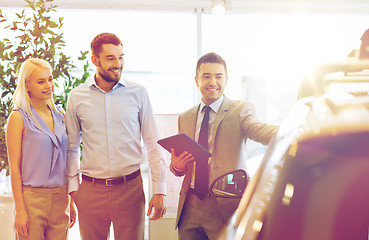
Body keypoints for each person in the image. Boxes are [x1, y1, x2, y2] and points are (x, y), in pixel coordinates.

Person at [66, 32, 167, 240]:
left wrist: (159, 189)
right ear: (95, 60)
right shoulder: (76, 97)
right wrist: (74, 190)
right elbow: (71, 149)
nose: (118, 63)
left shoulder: (138, 93)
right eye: (110, 58)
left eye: (121, 57)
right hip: (91, 190)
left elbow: (152, 144)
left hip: (130, 189)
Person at [170, 52, 279, 239]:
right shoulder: (185, 117)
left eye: (218, 76)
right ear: (197, 80)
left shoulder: (240, 111)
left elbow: (259, 131)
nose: (213, 82)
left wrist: (296, 128)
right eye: (206, 76)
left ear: (226, 80)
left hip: (224, 206)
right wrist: (176, 167)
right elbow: (182, 165)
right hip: (190, 207)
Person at [6, 58, 76, 240]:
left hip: (61, 198)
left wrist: (71, 201)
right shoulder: (18, 118)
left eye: (50, 79)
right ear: (27, 85)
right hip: (32, 200)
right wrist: (20, 210)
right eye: (41, 81)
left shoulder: (60, 114)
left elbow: (66, 161)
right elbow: (14, 169)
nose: (48, 85)